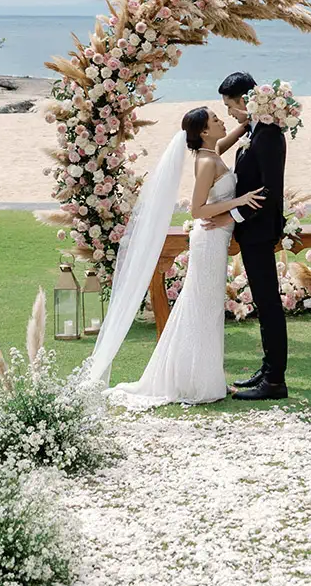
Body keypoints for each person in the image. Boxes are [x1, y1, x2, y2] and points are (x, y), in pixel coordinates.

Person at [107, 107, 264, 408]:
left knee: (206, 308)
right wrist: (239, 201)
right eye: (215, 120)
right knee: (204, 309)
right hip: (209, 241)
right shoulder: (205, 162)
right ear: (204, 131)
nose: (221, 121)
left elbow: (231, 136)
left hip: (216, 239)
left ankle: (200, 377)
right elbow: (197, 210)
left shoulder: (212, 151)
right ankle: (199, 383)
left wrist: (248, 121)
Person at [218, 71, 290, 399]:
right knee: (263, 300)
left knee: (269, 302)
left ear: (245, 101)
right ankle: (267, 368)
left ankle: (275, 380)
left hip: (259, 231)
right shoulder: (255, 130)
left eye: (230, 106)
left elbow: (268, 191)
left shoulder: (268, 135)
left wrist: (232, 216)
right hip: (252, 231)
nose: (229, 113)